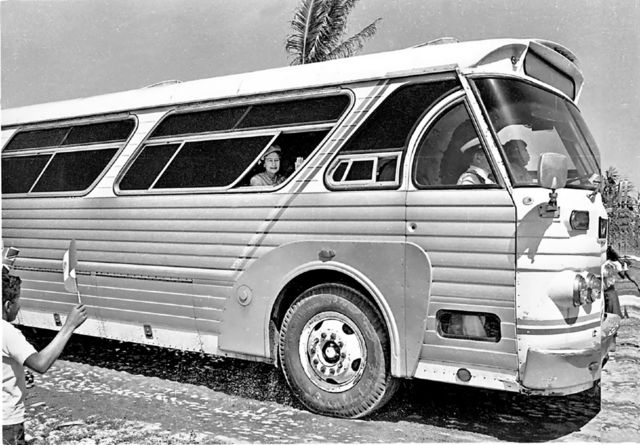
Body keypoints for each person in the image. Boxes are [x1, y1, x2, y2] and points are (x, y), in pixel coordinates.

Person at [2, 272, 87, 445]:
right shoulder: (7, 332)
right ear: (8, 305)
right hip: (6, 420)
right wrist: (69, 325)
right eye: (18, 300)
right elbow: (40, 363)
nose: (20, 305)